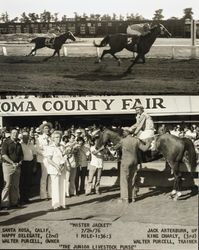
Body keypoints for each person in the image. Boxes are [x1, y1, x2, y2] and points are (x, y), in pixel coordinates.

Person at [1, 128, 23, 209]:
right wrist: (12, 162)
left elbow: (21, 155)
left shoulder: (18, 143)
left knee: (15, 185)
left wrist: (20, 162)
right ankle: (4, 204)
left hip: (17, 166)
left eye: (16, 133)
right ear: (10, 134)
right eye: (13, 133)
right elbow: (3, 155)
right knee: (7, 185)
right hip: (7, 166)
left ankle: (14, 202)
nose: (15, 134)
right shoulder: (6, 143)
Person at [45, 131, 67, 211]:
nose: (59, 138)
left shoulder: (62, 146)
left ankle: (62, 204)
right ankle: (56, 205)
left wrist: (63, 163)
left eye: (59, 137)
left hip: (62, 168)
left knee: (62, 186)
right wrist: (56, 166)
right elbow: (49, 159)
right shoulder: (50, 147)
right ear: (53, 139)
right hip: (54, 169)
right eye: (57, 137)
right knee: (55, 187)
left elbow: (64, 156)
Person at [35, 121, 52, 200]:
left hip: (51, 159)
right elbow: (38, 150)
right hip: (44, 159)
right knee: (44, 176)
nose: (47, 129)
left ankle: (50, 194)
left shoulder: (50, 138)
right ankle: (43, 195)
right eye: (45, 128)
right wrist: (46, 154)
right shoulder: (39, 138)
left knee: (50, 176)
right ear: (42, 129)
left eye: (47, 128)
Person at [19, 132, 37, 204]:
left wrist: (35, 166)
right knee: (22, 182)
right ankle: (21, 198)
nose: (26, 138)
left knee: (28, 181)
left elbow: (34, 155)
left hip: (30, 164)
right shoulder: (20, 144)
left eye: (27, 136)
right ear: (22, 137)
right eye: (24, 136)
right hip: (23, 164)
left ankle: (26, 198)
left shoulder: (31, 145)